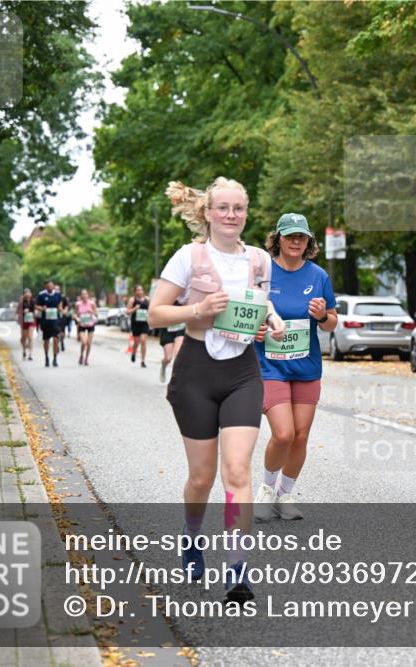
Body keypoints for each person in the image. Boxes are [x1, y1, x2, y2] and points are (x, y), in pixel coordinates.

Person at [149, 178, 284, 603]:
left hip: (243, 372)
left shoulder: (260, 260)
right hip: (195, 373)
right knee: (202, 478)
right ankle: (191, 538)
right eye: (222, 208)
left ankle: (237, 571)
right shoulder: (189, 256)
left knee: (238, 472)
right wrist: (197, 309)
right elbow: (155, 313)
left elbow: (262, 306)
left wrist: (273, 324)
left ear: (246, 213)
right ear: (207, 213)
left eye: (238, 208)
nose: (231, 215)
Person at [252, 213, 337, 522]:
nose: (296, 241)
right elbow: (246, 313)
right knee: (284, 433)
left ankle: (285, 496)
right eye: (290, 236)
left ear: (308, 242)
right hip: (270, 365)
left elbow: (331, 322)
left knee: (301, 435)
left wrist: (321, 316)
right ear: (278, 239)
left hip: (306, 366)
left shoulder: (318, 276)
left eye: (301, 237)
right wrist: (256, 330)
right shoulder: (263, 272)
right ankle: (265, 490)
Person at [35, 279, 64, 367]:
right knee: (46, 340)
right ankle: (46, 356)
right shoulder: (41, 295)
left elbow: (60, 305)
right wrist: (42, 309)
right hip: (46, 321)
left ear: (53, 285)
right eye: (48, 287)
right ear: (45, 287)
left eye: (51, 286)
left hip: (55, 320)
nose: (50, 288)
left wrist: (61, 310)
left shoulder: (58, 294)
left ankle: (55, 358)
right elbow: (36, 305)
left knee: (55, 339)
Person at [158, 299, 187, 383]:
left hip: (180, 327)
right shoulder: (167, 296)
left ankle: (175, 378)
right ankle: (163, 366)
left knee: (178, 353)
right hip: (167, 328)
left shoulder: (185, 294)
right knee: (168, 358)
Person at [73, 289, 98, 366]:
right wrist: (76, 318)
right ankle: (81, 355)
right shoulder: (78, 304)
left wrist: (92, 312)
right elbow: (75, 314)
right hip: (82, 325)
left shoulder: (92, 303)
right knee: (84, 342)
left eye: (86, 294)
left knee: (89, 343)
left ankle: (86, 358)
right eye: (83, 294)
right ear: (81, 296)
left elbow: (96, 314)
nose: (84, 296)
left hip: (91, 325)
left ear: (88, 295)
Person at [127, 285, 151, 368]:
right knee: (136, 343)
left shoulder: (147, 299)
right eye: (138, 290)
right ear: (135, 292)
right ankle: (134, 353)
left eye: (141, 290)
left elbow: (152, 309)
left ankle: (143, 361)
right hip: (136, 324)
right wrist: (134, 309)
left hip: (145, 323)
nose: (140, 291)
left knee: (143, 341)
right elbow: (128, 312)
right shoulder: (132, 300)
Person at [17, 288, 36, 360]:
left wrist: (35, 312)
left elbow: (35, 309)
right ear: (24, 295)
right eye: (26, 294)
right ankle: (24, 350)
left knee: (30, 338)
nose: (28, 296)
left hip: (31, 320)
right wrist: (23, 311)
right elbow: (18, 311)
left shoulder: (33, 301)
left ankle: (30, 355)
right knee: (23, 338)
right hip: (24, 321)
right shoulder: (21, 301)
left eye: (29, 294)